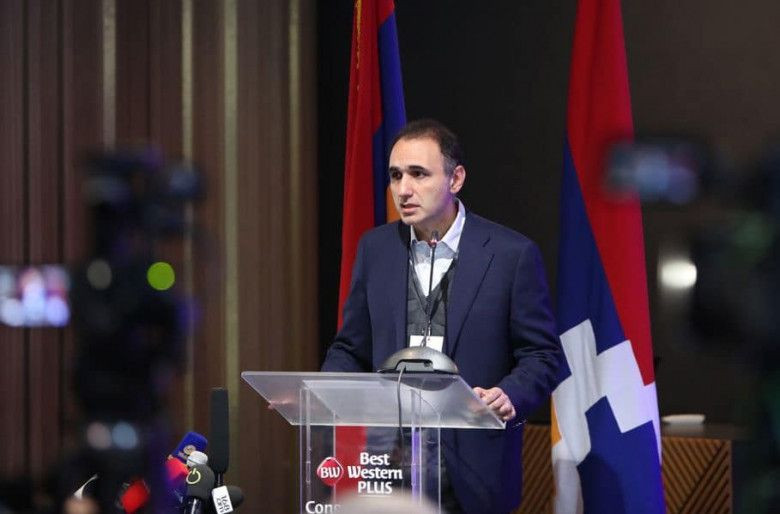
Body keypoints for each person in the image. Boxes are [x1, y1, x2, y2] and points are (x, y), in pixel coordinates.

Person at [322, 119, 562, 513]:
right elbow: (350, 347)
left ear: (456, 179)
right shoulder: (376, 249)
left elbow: (543, 356)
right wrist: (319, 393)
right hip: (386, 461)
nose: (404, 189)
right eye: (396, 175)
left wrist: (509, 394)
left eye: (418, 174)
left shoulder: (510, 255)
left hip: (471, 467)